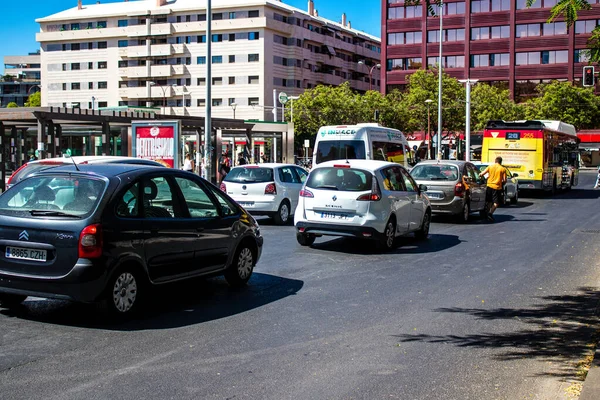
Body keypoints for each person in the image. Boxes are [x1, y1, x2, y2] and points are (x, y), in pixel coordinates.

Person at [479, 156, 507, 222]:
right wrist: (501, 183)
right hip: (497, 187)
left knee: (488, 201)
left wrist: (480, 177)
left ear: (495, 161)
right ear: (501, 162)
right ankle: (490, 213)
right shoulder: (502, 169)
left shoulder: (490, 167)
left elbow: (482, 174)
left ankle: (487, 213)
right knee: (496, 203)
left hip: (489, 186)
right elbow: (505, 180)